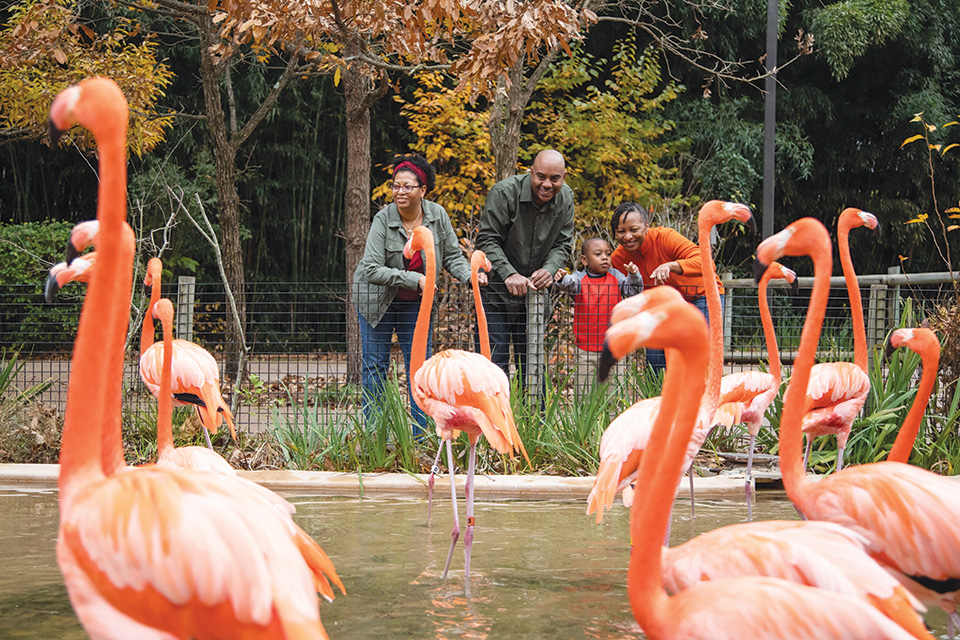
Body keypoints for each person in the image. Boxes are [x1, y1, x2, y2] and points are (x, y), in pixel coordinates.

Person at [354, 154, 479, 437]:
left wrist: (470, 275)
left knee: (420, 371)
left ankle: (421, 437)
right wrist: (416, 279)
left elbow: (451, 256)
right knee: (375, 367)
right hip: (377, 301)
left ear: (423, 189)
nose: (400, 192)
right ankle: (375, 436)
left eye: (408, 186)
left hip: (416, 306)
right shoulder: (383, 219)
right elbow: (372, 268)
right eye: (396, 186)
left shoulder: (437, 216)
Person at [475, 149, 575, 384]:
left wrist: (549, 270)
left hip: (535, 295)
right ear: (531, 173)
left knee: (532, 366)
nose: (547, 184)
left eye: (555, 178)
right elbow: (487, 240)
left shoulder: (566, 199)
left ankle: (535, 421)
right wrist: (509, 273)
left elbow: (563, 244)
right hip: (497, 292)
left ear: (564, 176)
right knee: (493, 366)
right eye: (541, 176)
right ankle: (496, 420)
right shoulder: (504, 193)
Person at [609, 202, 723, 372]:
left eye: (634, 229)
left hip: (700, 295)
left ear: (646, 226)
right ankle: (658, 395)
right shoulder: (617, 258)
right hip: (661, 308)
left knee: (696, 353)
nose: (627, 236)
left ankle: (700, 396)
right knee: (655, 360)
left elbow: (706, 262)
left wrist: (671, 265)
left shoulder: (665, 237)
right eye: (621, 231)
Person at [554, 237, 643, 391]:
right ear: (585, 259)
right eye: (598, 254)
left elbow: (633, 291)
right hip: (585, 348)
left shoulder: (616, 276)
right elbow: (570, 285)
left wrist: (634, 275)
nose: (604, 257)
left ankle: (613, 416)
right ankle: (586, 415)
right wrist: (563, 278)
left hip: (614, 347)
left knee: (614, 392)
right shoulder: (580, 278)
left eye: (608, 254)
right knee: (584, 393)